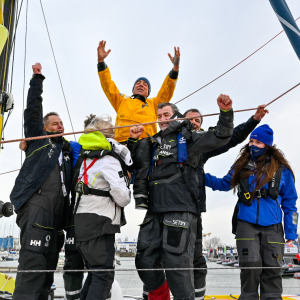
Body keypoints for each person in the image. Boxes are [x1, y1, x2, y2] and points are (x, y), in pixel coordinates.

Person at [128, 95, 234, 300]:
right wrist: (133, 140)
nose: (162, 119)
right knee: (145, 259)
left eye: (166, 115)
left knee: (177, 265)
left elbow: (222, 135)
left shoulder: (190, 138)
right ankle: (160, 297)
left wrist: (226, 113)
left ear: (177, 117)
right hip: (155, 209)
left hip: (181, 209)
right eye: (159, 116)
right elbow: (132, 164)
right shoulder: (151, 142)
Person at [184, 105, 268, 300]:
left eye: (198, 120)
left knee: (196, 259)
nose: (194, 123)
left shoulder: (201, 148)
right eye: (190, 119)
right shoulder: (163, 143)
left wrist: (253, 121)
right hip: (164, 209)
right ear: (178, 120)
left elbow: (231, 138)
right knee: (157, 258)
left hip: (192, 209)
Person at [205, 124, 298, 300]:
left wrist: (291, 232)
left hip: (273, 227)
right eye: (251, 141)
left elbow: (290, 204)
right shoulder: (242, 165)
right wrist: (201, 176)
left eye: (258, 142)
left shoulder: (282, 170)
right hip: (246, 225)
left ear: (267, 145)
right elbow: (224, 184)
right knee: (250, 268)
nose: (253, 145)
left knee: (272, 269)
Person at [10, 63, 72, 300]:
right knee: (33, 260)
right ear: (45, 128)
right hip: (36, 205)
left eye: (61, 124)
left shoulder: (66, 150)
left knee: (49, 264)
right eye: (55, 124)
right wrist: (37, 79)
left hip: (58, 212)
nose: (60, 126)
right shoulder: (38, 139)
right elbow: (32, 111)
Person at [73, 115, 132, 300]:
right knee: (104, 276)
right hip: (100, 222)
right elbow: (122, 197)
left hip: (80, 221)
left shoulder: (83, 157)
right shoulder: (108, 160)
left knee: (94, 273)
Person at [97, 40, 180, 143]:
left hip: (146, 146)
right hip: (121, 144)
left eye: (145, 84)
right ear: (133, 89)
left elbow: (167, 89)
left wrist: (175, 68)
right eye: (138, 83)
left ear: (148, 92)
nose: (141, 84)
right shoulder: (121, 100)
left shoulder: (154, 104)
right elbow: (107, 85)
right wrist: (101, 62)